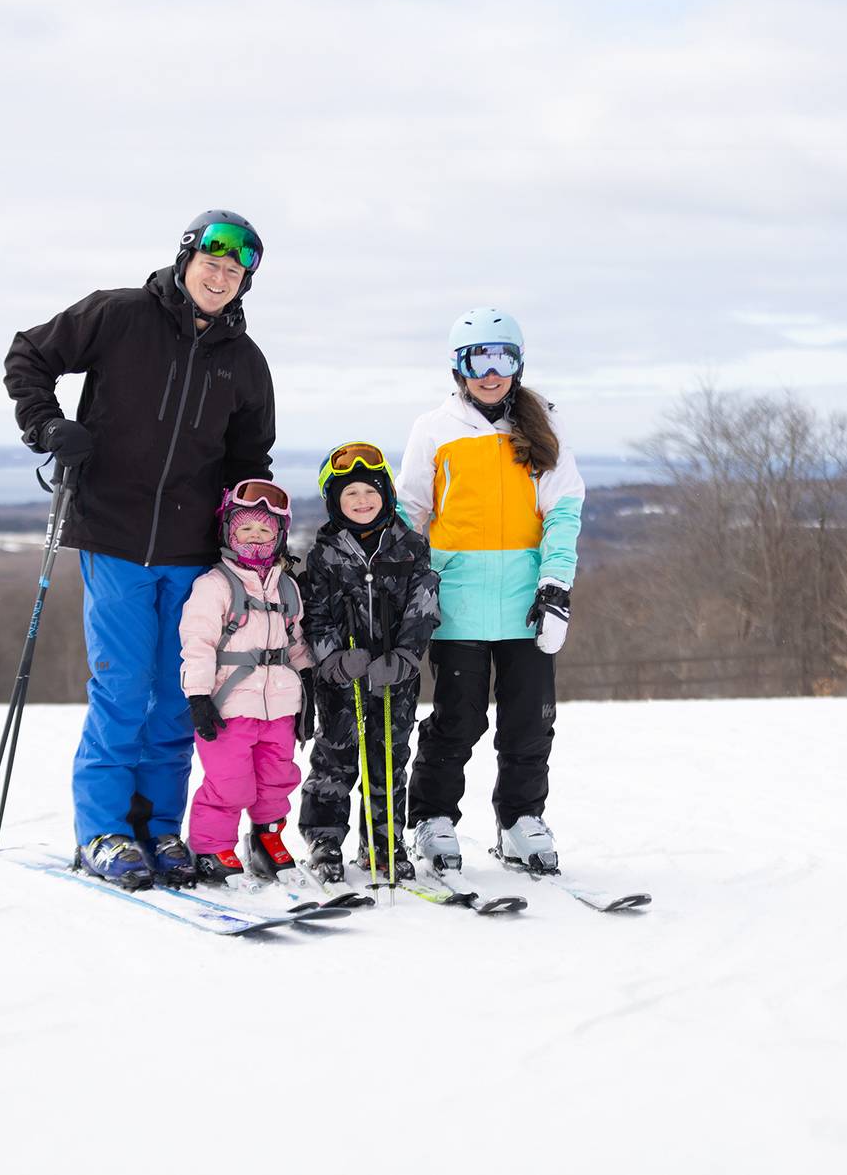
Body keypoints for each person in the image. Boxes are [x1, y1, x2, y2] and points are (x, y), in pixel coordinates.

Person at [1, 210, 275, 888]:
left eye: (234, 271)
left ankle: (159, 828)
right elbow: (28, 355)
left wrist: (251, 541)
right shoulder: (119, 315)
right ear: (186, 260)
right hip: (114, 536)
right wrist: (48, 426)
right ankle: (104, 829)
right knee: (122, 689)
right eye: (212, 262)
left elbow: (250, 462)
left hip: (191, 554)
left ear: (244, 284)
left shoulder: (244, 363)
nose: (220, 276)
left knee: (179, 692)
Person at [397, 308, 583, 874]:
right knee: (459, 719)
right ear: (460, 366)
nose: (491, 371)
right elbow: (410, 513)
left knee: (529, 721)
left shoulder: (543, 426)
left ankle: (520, 820)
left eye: (503, 357)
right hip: (458, 603)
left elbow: (563, 511)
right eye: (479, 358)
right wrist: (405, 592)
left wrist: (555, 585)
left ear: (518, 364)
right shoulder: (435, 429)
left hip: (526, 603)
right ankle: (432, 818)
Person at [297, 442, 441, 884]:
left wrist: (404, 658)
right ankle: (324, 841)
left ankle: (384, 841)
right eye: (350, 494)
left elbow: (425, 605)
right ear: (334, 502)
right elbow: (314, 614)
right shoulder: (324, 555)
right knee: (335, 760)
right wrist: (333, 659)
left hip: (394, 680)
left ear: (387, 494)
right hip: (342, 681)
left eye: (370, 491)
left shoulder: (411, 547)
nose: (362, 501)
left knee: (389, 760)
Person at [177, 480, 312, 886]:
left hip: (280, 705)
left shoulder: (287, 586)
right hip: (229, 705)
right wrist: (198, 697)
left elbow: (296, 640)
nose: (256, 538)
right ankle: (210, 847)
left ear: (280, 536)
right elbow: (197, 644)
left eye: (266, 531)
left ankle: (266, 840)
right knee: (229, 784)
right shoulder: (214, 585)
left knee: (277, 777)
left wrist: (308, 683)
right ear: (228, 533)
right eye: (246, 529)